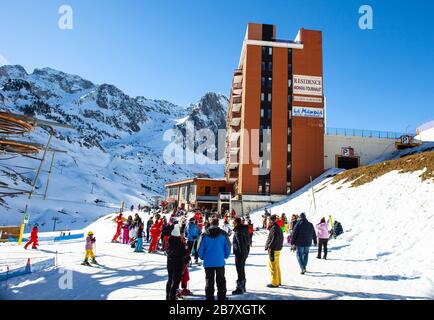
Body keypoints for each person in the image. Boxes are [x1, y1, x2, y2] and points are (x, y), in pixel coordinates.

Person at [198, 218, 231, 300]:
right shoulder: (223, 234)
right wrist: (226, 255)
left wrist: (202, 257)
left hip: (208, 261)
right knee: (221, 280)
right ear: (218, 224)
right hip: (219, 261)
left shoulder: (205, 235)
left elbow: (200, 248)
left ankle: (209, 297)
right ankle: (222, 297)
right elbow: (228, 246)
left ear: (210, 223)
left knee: (209, 280)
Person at [166, 224, 188, 300]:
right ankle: (172, 296)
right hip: (178, 263)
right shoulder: (179, 242)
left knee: (170, 279)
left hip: (170, 263)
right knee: (175, 281)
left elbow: (167, 251)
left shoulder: (169, 241)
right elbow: (183, 252)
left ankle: (168, 296)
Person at [231, 217, 250, 295]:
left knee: (239, 270)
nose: (232, 223)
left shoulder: (238, 231)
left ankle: (240, 288)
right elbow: (248, 242)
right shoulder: (245, 229)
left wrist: (241, 253)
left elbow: (240, 243)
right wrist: (246, 252)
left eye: (233, 222)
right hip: (244, 252)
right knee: (242, 269)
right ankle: (243, 287)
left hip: (240, 253)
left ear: (236, 223)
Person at [265, 215, 284, 288]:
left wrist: (270, 246)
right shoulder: (277, 227)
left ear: (271, 221)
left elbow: (274, 239)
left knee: (273, 267)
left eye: (269, 220)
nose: (268, 222)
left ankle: (274, 283)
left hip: (273, 250)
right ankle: (278, 281)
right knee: (276, 266)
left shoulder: (274, 228)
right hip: (277, 249)